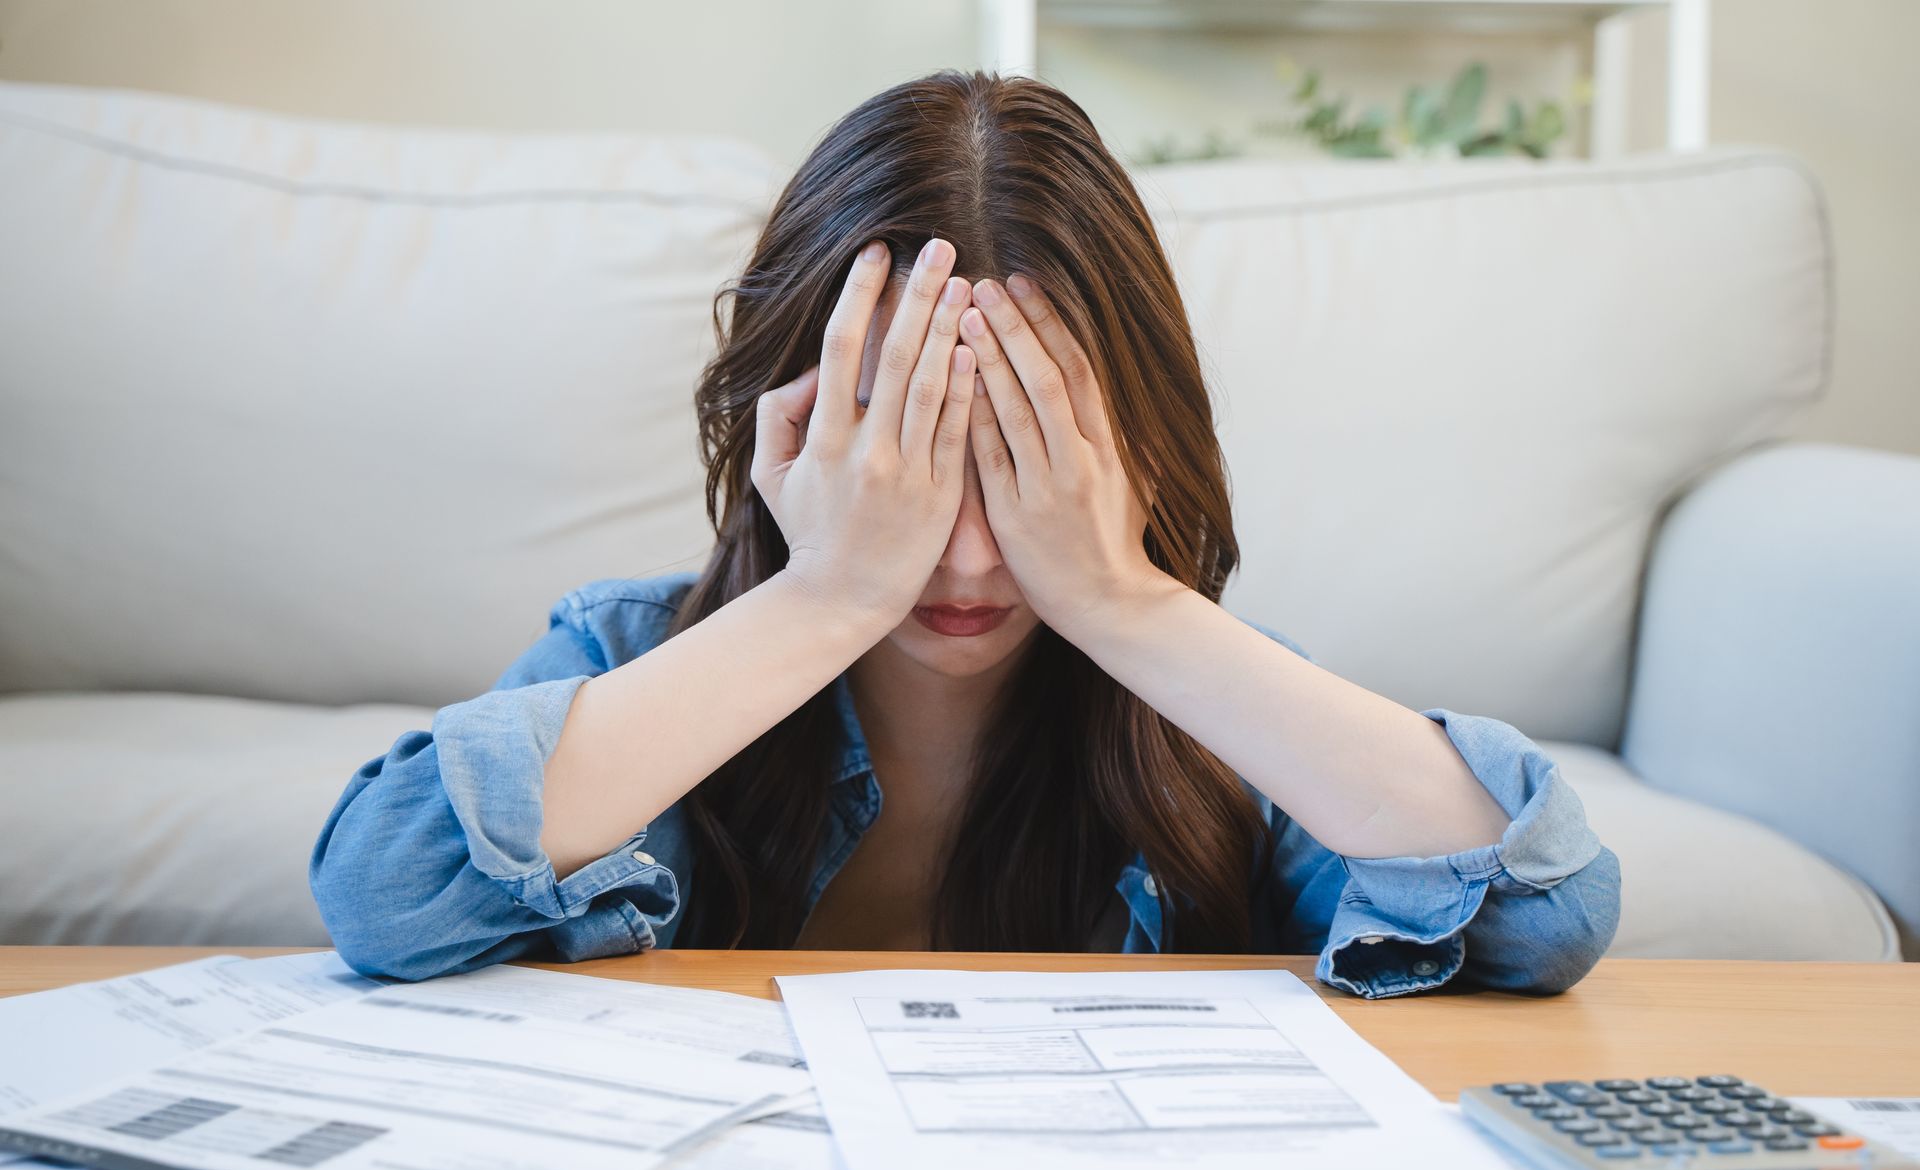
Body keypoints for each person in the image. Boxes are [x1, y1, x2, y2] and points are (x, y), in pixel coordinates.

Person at [309, 70, 1620, 1001]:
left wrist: (1125, 602)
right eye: (910, 454)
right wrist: (828, 594)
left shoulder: (1213, 712)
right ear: (788, 431)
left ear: (1135, 445)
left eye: (1028, 459)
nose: (974, 557)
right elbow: (386, 891)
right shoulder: (633, 653)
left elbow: (1546, 916)